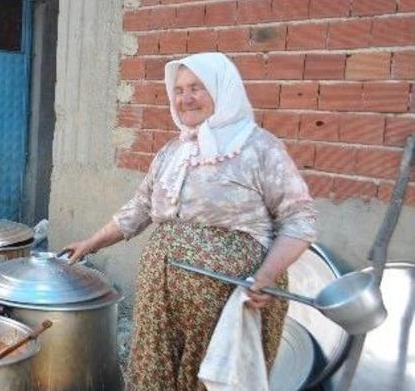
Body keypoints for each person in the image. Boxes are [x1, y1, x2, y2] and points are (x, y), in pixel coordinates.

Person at [62, 52, 317, 391]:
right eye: (179, 90)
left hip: (228, 301)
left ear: (222, 89)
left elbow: (300, 220)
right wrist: (91, 243)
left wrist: (267, 275)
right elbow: (140, 207)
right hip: (161, 299)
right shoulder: (173, 151)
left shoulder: (259, 149)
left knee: (213, 380)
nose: (185, 98)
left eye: (197, 87)